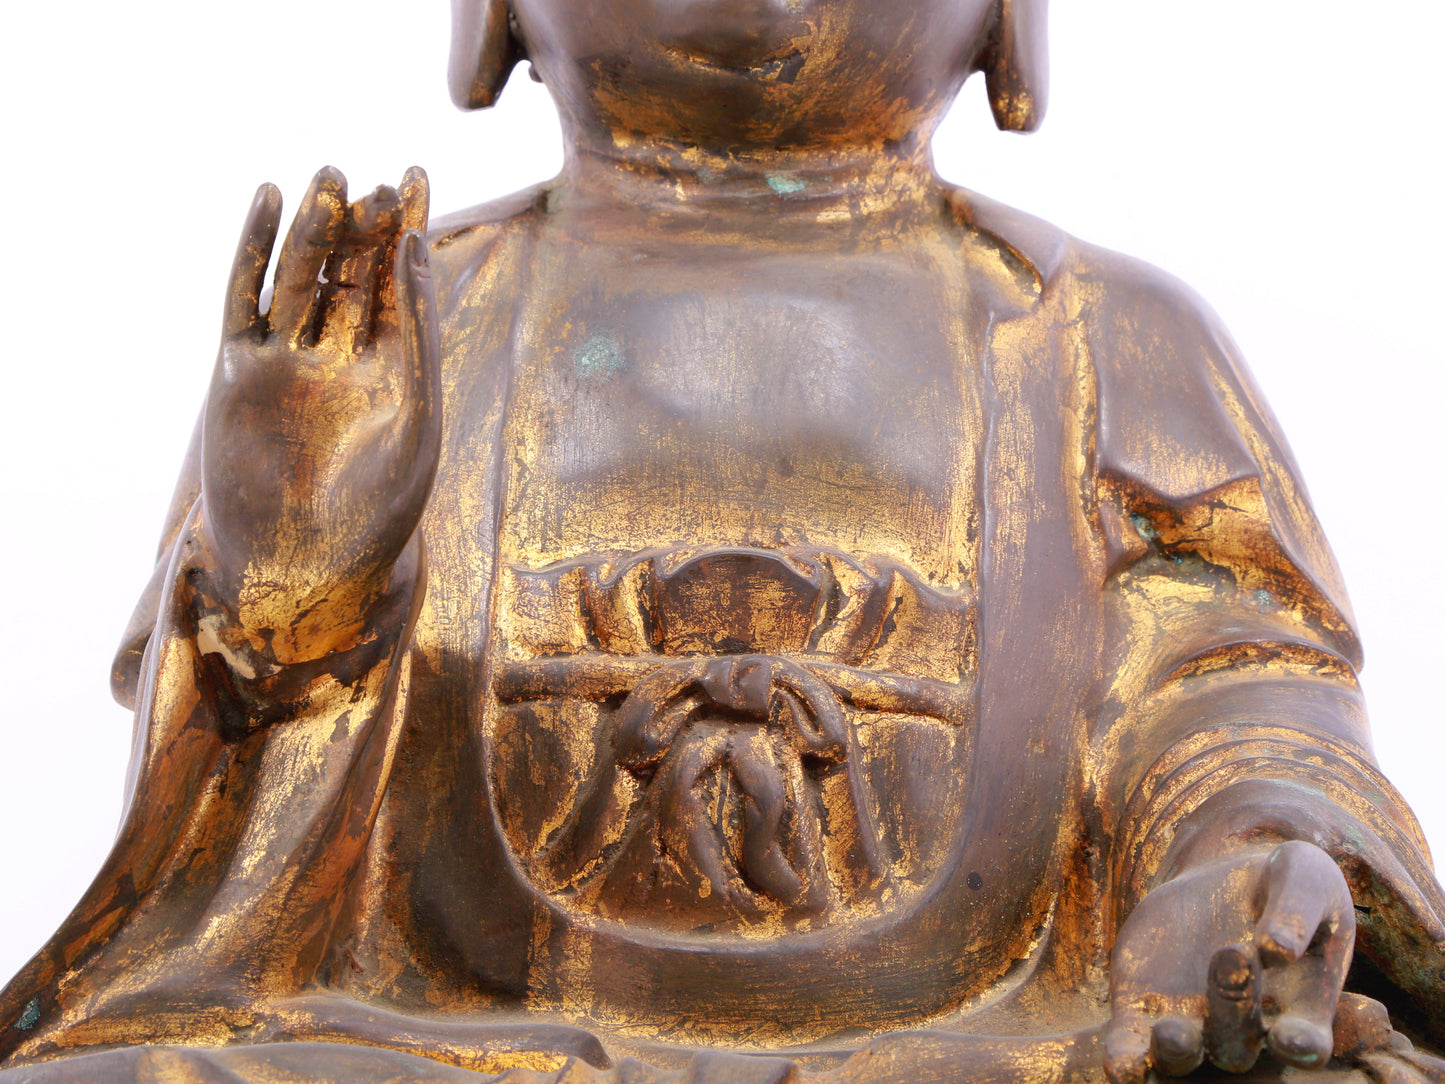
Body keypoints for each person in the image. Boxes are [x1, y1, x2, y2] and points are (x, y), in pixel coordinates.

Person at [2, 1, 1441, 1081]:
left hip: (991, 1046)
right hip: (467, 1048)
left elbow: (1236, 688)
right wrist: (291, 584)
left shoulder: (1101, 335)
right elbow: (226, 869)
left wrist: (1249, 859)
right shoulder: (408, 317)